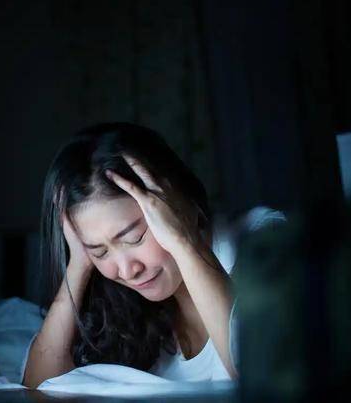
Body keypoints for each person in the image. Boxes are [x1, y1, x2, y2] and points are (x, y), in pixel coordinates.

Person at [22, 122, 238, 388]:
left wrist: (183, 241)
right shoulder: (122, 309)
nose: (126, 271)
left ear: (175, 202)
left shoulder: (257, 244)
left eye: (134, 238)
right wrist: (79, 265)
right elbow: (37, 389)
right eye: (100, 251)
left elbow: (256, 371)